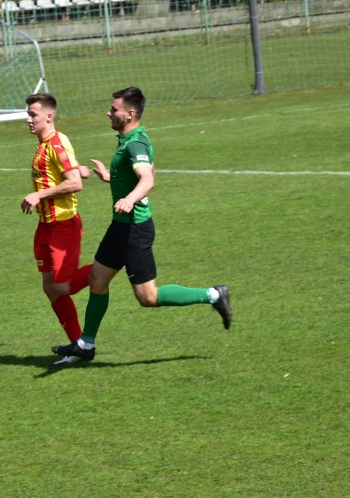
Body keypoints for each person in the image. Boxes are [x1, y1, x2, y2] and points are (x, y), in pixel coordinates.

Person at [52, 86, 232, 363]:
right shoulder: (129, 140)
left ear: (130, 113)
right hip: (120, 227)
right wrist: (111, 180)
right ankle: (85, 345)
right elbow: (136, 176)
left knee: (147, 297)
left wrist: (129, 199)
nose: (109, 112)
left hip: (134, 230)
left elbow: (147, 179)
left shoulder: (136, 143)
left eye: (114, 109)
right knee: (96, 281)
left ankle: (213, 294)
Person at [21, 93, 92, 358]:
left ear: (49, 116)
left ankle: (114, 262)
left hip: (63, 225)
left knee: (62, 285)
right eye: (28, 114)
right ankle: (78, 346)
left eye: (32, 114)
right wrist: (78, 168)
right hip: (46, 226)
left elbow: (75, 184)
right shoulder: (44, 143)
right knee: (50, 286)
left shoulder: (56, 142)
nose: (28, 119)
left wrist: (39, 195)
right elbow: (66, 172)